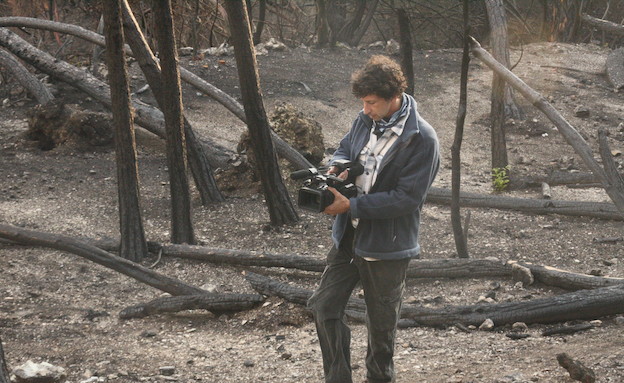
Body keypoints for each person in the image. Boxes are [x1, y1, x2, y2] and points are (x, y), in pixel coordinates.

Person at [308, 55, 440, 383]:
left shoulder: (422, 138)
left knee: (381, 333)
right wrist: (337, 166)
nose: (365, 108)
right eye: (363, 102)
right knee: (323, 306)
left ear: (393, 96)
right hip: (349, 238)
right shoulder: (364, 120)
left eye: (371, 102)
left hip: (388, 247)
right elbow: (344, 148)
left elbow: (407, 200)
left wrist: (351, 207)